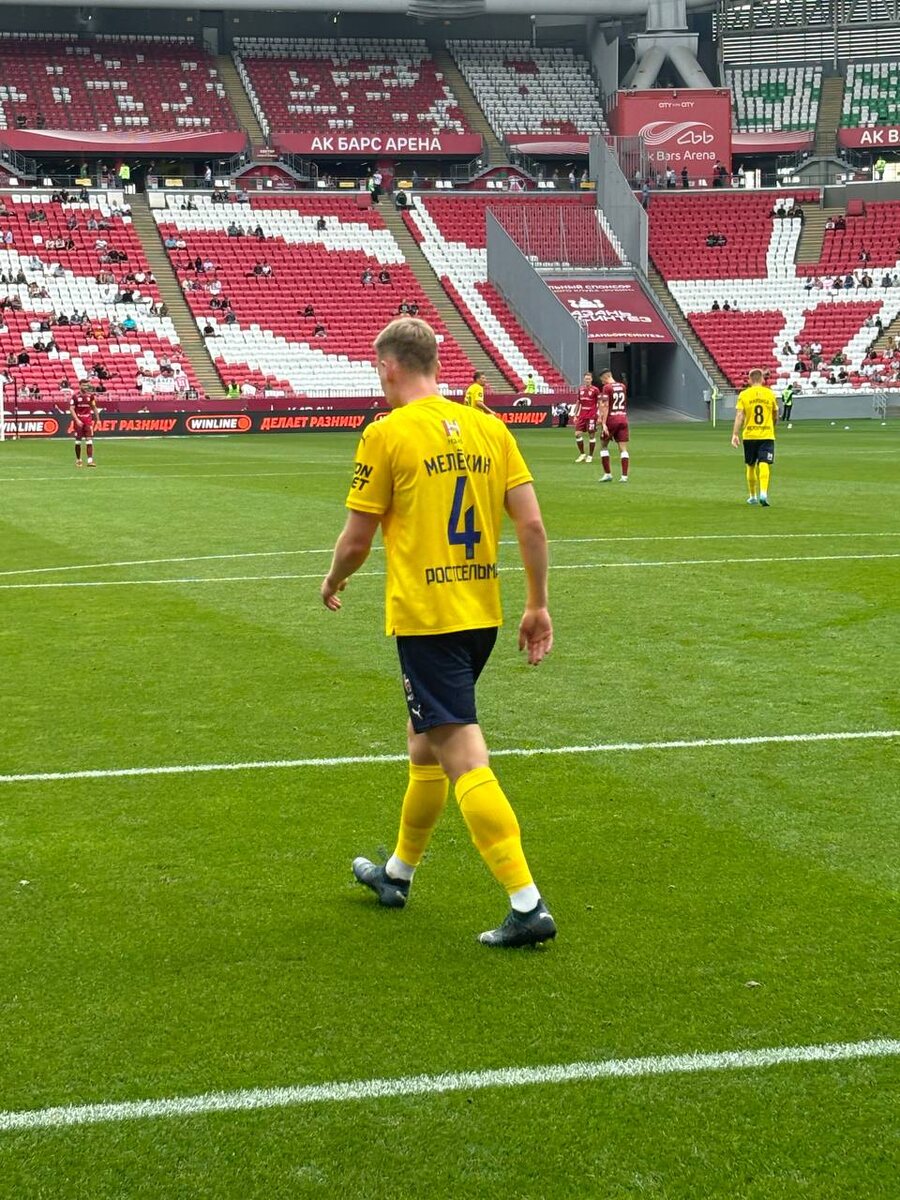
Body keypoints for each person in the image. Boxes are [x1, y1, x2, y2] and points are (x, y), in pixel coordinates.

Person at [320, 317, 556, 947]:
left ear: (389, 367)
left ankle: (527, 903)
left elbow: (357, 539)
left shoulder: (386, 433)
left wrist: (333, 579)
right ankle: (397, 874)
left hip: (428, 618)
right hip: (482, 612)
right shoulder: (490, 427)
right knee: (423, 739)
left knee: (461, 753)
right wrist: (537, 604)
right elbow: (532, 526)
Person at [732, 368, 778, 506]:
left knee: (750, 465)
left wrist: (735, 434)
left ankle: (752, 496)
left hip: (750, 435)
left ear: (750, 380)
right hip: (767, 434)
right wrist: (772, 425)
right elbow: (776, 414)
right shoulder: (770, 394)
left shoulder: (744, 395)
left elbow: (740, 415)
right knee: (764, 463)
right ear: (762, 379)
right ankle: (763, 493)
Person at [598, 369, 630, 482]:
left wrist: (603, 423)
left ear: (605, 377)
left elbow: (605, 405)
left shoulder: (607, 388)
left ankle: (608, 474)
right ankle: (624, 476)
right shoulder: (622, 386)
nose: (602, 382)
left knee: (603, 445)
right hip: (623, 418)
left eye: (602, 380)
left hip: (612, 419)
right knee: (623, 448)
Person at [573, 371, 600, 462]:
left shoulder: (595, 390)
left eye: (589, 379)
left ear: (591, 379)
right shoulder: (581, 389)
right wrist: (575, 414)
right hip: (582, 415)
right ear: (584, 379)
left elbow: (599, 402)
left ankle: (590, 456)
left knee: (591, 435)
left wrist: (599, 415)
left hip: (591, 415)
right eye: (586, 379)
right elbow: (578, 402)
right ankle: (582, 454)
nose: (587, 380)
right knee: (577, 434)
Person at [70, 387, 100, 468]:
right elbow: (71, 409)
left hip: (88, 421)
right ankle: (78, 460)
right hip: (79, 421)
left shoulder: (90, 396)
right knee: (78, 442)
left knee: (89, 440)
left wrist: (98, 419)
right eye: (84, 385)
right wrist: (77, 420)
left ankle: (90, 461)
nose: (86, 387)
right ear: (80, 386)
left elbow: (94, 407)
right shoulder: (75, 396)